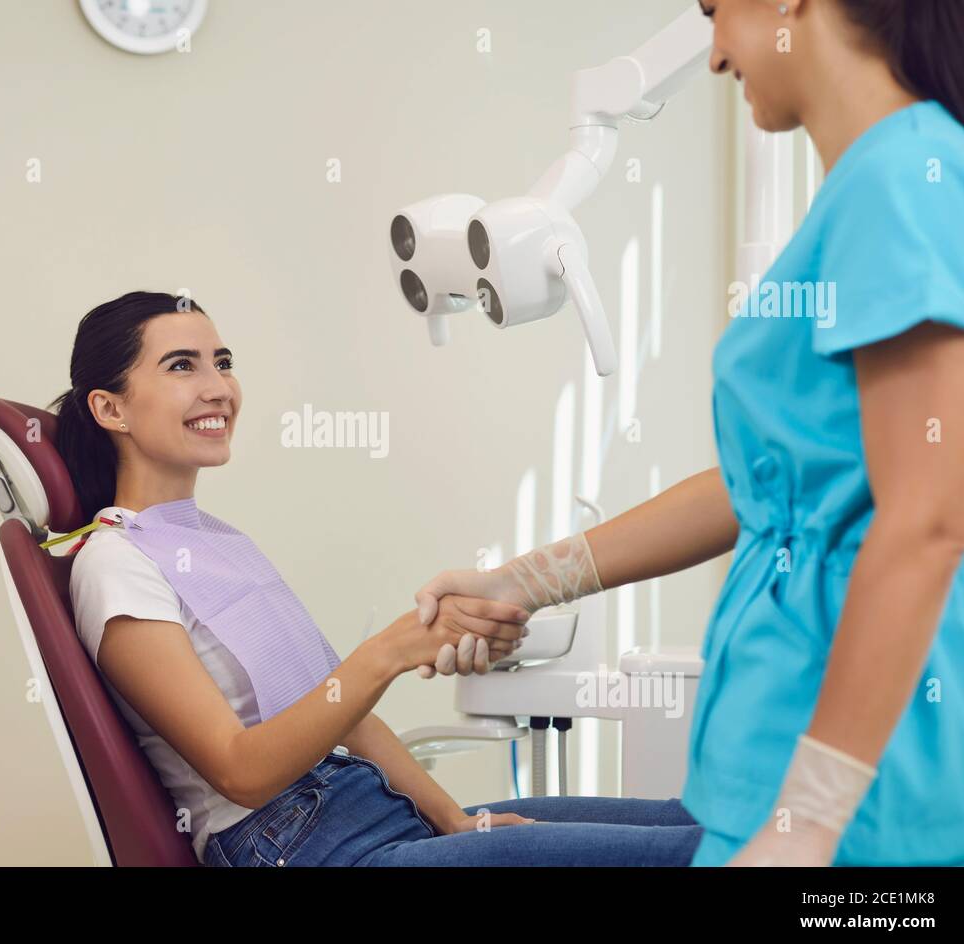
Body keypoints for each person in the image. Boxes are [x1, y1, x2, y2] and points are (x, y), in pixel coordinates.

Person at [416, 0, 964, 865]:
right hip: (773, 758)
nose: (715, 55)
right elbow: (756, 489)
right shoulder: (879, 184)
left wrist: (811, 820)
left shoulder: (906, 177)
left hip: (859, 792)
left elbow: (928, 518)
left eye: (717, 12)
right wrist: (521, 582)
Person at [54, 291, 703, 866]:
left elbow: (348, 719)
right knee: (709, 857)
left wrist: (454, 820)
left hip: (371, 809)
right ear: (110, 408)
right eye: (181, 366)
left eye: (222, 362)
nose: (219, 386)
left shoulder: (217, 541)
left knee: (703, 825)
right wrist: (389, 651)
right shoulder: (115, 561)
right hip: (300, 843)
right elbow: (241, 773)